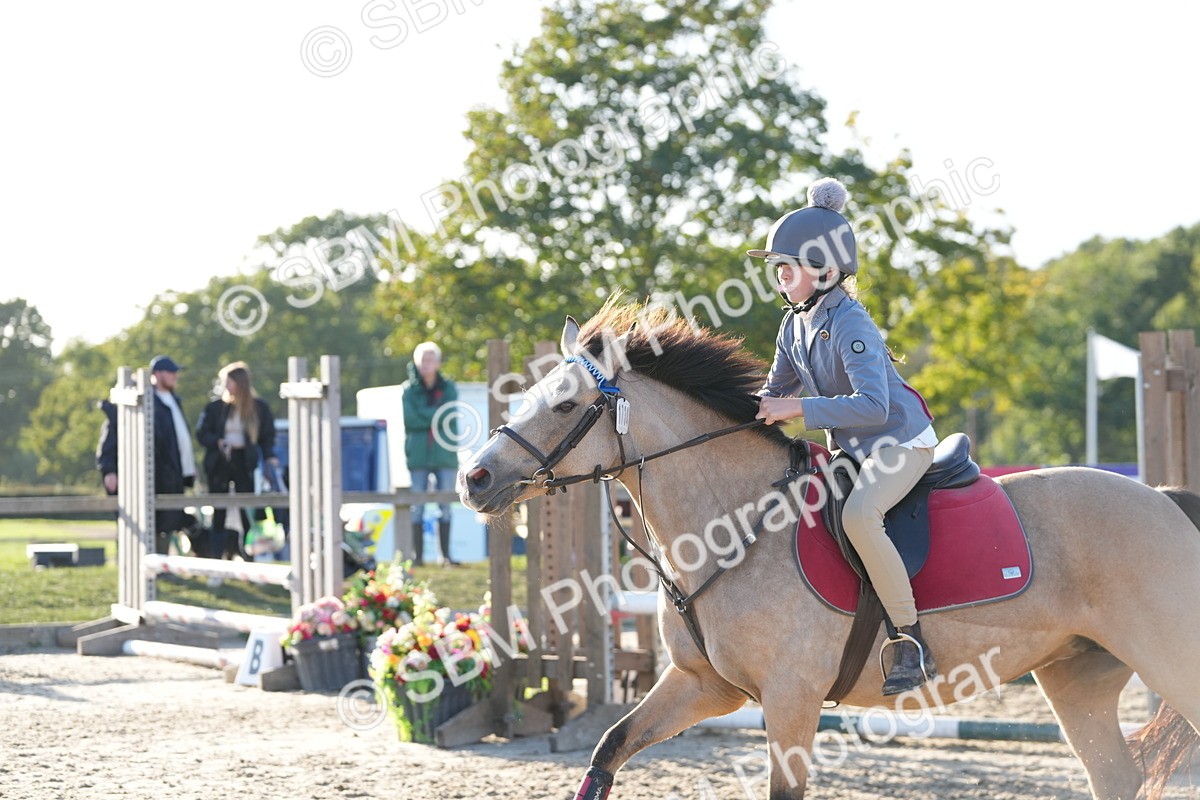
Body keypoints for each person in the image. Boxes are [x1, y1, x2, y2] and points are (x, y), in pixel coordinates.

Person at [750, 177, 939, 695]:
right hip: (852, 449)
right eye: (778, 268)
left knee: (860, 514)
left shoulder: (852, 322)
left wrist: (797, 407)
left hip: (900, 442)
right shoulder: (793, 325)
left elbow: (874, 407)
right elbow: (771, 396)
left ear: (827, 272)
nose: (780, 277)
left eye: (787, 268)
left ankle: (910, 638)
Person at [95, 356, 198, 553]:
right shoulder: (142, 402)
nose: (176, 376)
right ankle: (148, 565)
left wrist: (188, 469)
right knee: (150, 521)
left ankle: (163, 564)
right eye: (171, 372)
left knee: (169, 520)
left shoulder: (173, 400)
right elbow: (111, 439)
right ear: (157, 374)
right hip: (153, 473)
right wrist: (109, 469)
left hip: (172, 473)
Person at [195, 361, 278, 557]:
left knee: (246, 512)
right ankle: (217, 560)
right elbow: (201, 433)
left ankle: (249, 557)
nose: (225, 386)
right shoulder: (216, 407)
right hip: (220, 462)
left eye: (228, 382)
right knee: (219, 513)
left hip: (243, 462)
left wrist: (269, 458)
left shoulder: (258, 407)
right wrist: (217, 442)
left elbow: (267, 436)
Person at [402, 341, 460, 566]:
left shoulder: (448, 387)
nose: (426, 364)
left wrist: (427, 416)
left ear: (437, 362)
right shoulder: (408, 390)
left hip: (444, 455)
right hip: (418, 457)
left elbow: (448, 416)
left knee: (445, 505)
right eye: (422, 359)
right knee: (417, 505)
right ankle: (417, 557)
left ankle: (445, 556)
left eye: (430, 359)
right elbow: (410, 419)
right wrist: (434, 415)